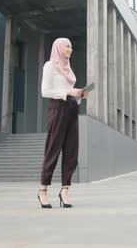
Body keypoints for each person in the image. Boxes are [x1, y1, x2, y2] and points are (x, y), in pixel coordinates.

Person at [38, 38, 89, 208]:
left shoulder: (68, 67)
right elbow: (45, 91)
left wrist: (80, 95)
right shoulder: (50, 66)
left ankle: (65, 190)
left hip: (72, 108)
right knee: (53, 148)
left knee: (71, 150)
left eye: (71, 46)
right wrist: (68, 91)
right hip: (57, 108)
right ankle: (43, 190)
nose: (70, 49)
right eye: (67, 46)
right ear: (59, 48)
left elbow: (71, 93)